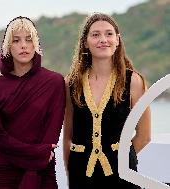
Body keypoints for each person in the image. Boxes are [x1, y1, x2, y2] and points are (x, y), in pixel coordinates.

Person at [63, 13, 151, 189]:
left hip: (123, 176)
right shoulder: (71, 83)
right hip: (81, 176)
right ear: (85, 42)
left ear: (117, 40)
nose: (103, 39)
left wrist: (120, 157)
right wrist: (70, 174)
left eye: (109, 34)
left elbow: (144, 136)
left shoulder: (133, 81)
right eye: (95, 35)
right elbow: (68, 137)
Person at [0, 16, 66, 189]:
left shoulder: (54, 82)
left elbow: (51, 135)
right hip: (5, 172)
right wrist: (37, 152)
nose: (24, 45)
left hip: (42, 170)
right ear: (8, 46)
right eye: (16, 40)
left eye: (29, 40)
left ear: (36, 44)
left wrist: (39, 157)